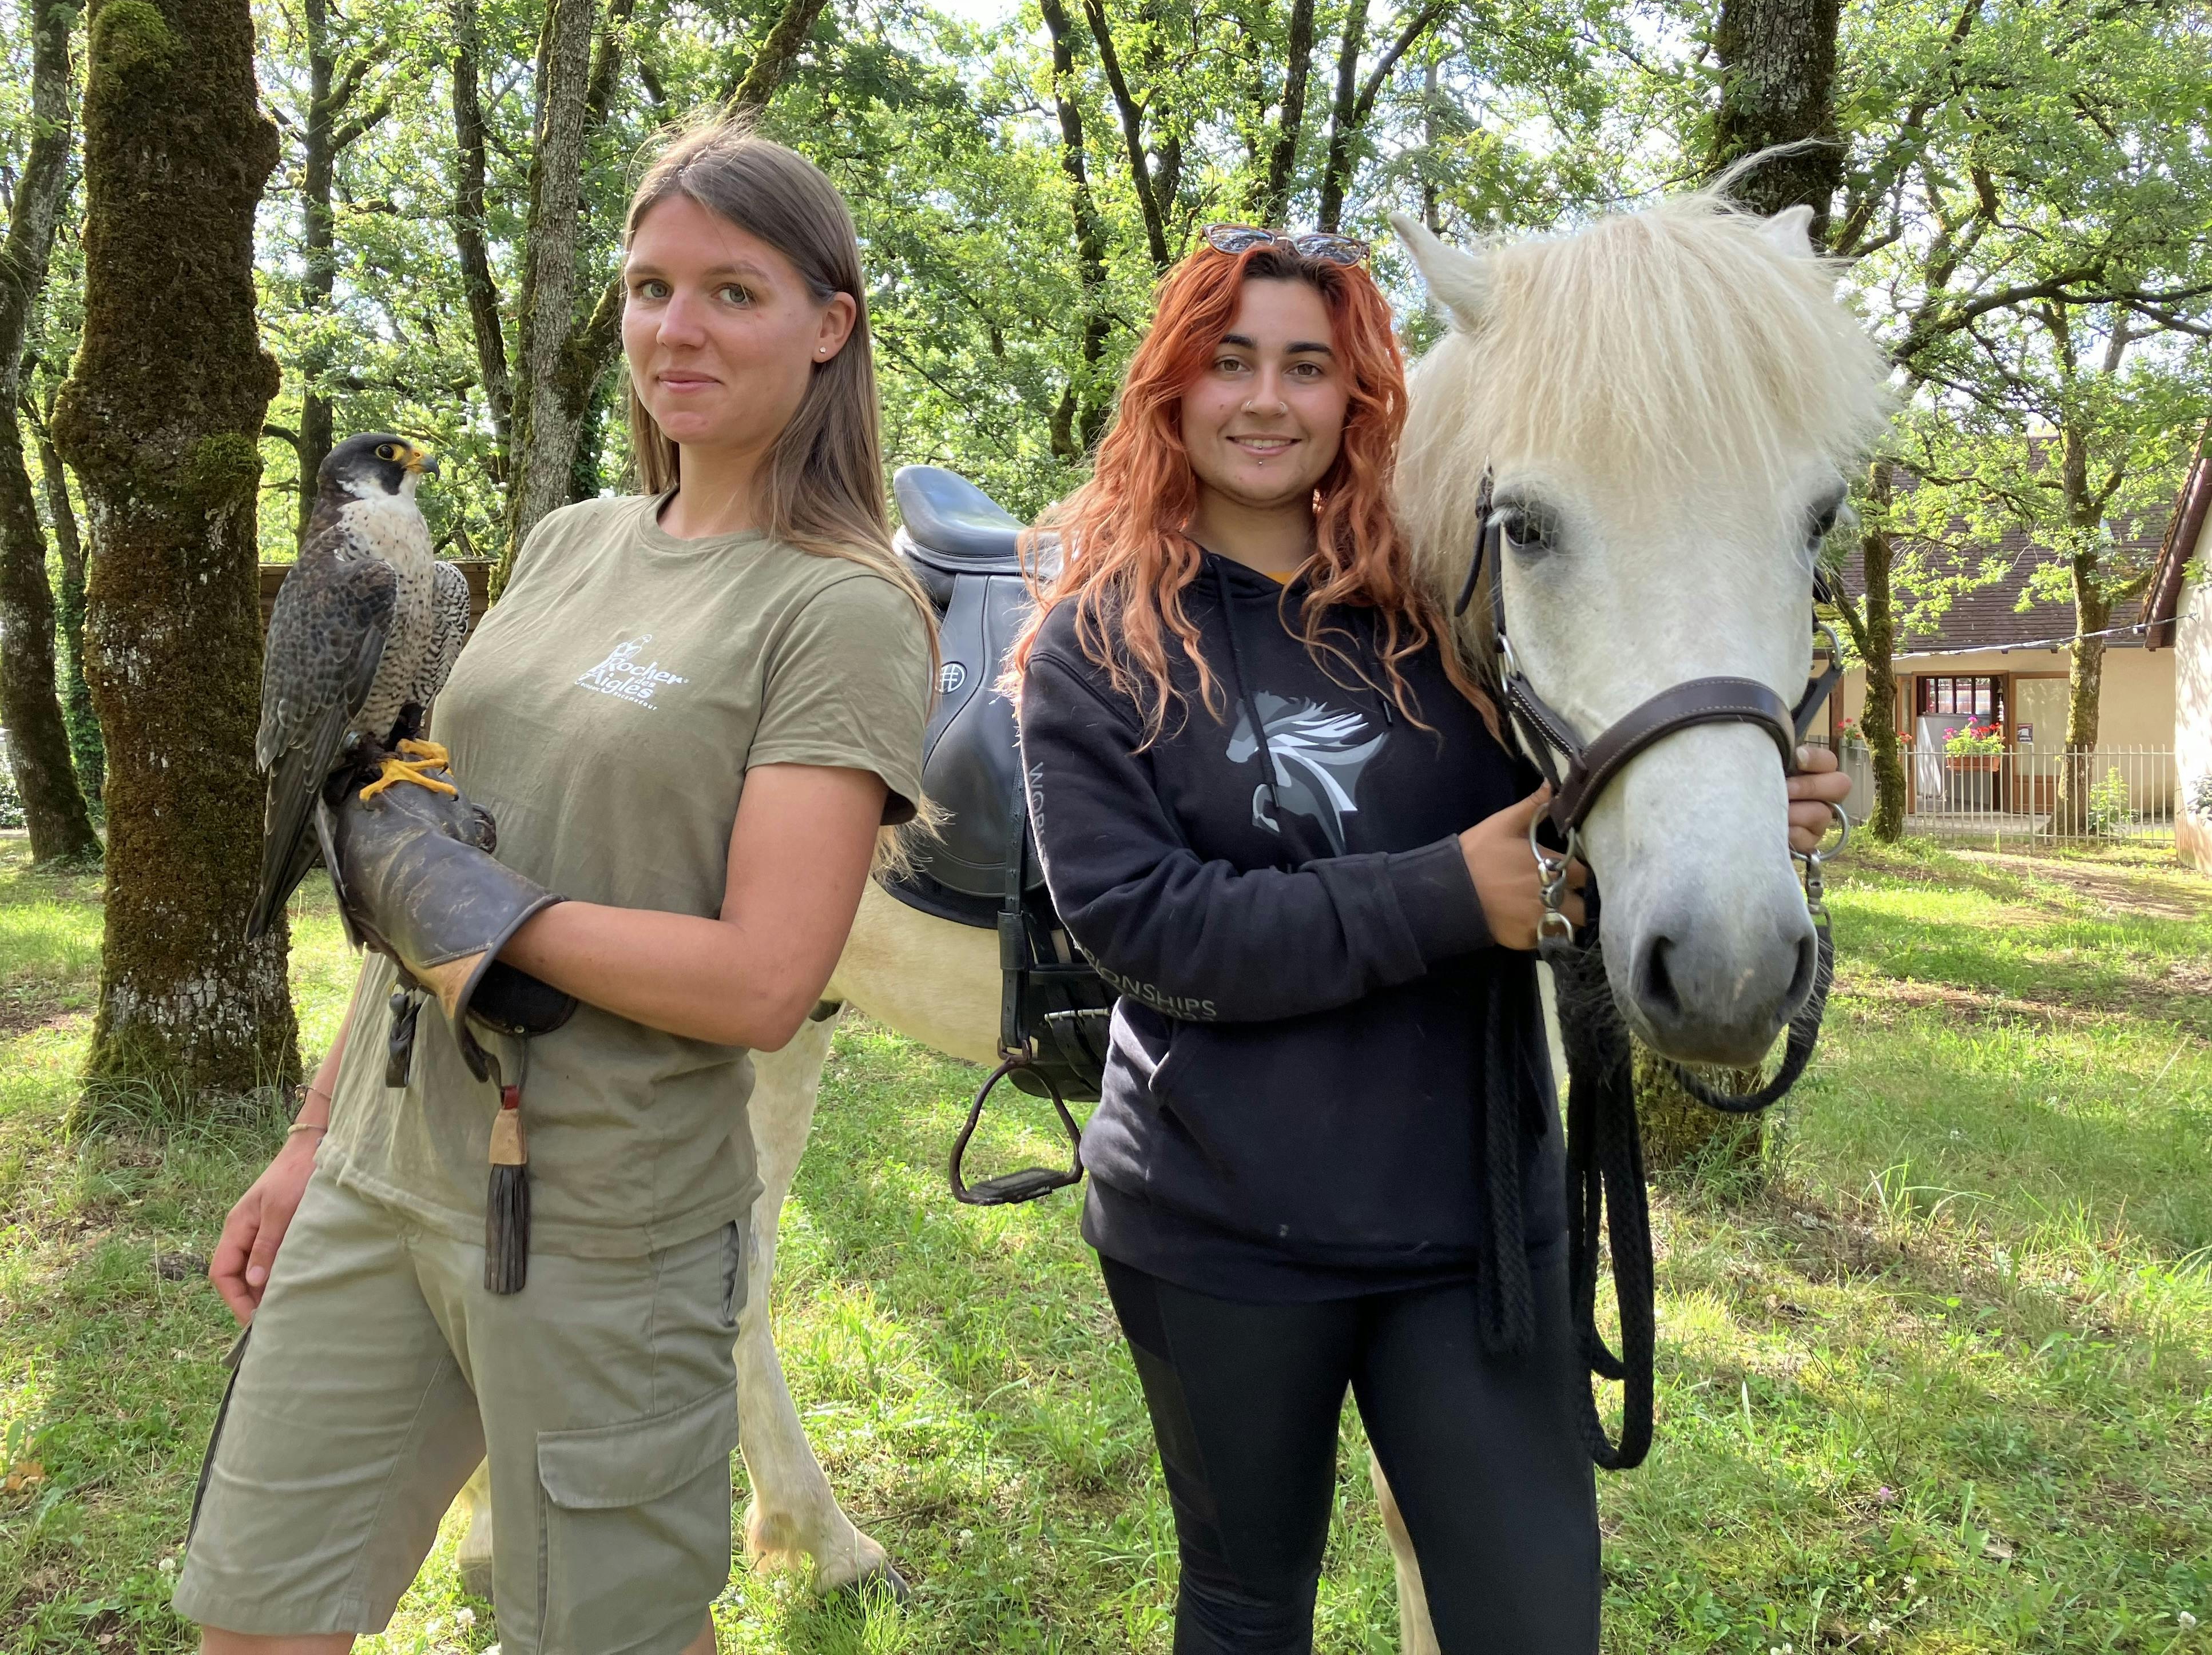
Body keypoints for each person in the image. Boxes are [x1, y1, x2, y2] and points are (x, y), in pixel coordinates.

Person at [1009, 226, 1850, 1653]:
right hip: (1212, 1233)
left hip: (1473, 1239)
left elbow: (1580, 808)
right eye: (1229, 363)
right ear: (1172, 386)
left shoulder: (1448, 629)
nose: (1266, 399)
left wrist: (1740, 794)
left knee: (1532, 1619)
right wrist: (1450, 897)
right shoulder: (1097, 648)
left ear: (1358, 396)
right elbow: (1138, 928)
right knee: (1241, 1606)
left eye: (1306, 365)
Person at [177, 128, 936, 1655]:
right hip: (386, 1170)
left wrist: (477, 914)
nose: (677, 328)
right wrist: (314, 1139)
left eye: (734, 289)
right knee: (254, 1621)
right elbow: (423, 860)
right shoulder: (567, 541)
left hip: (610, 1220)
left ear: (826, 325)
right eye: (652, 287)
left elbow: (762, 980)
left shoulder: (841, 609)